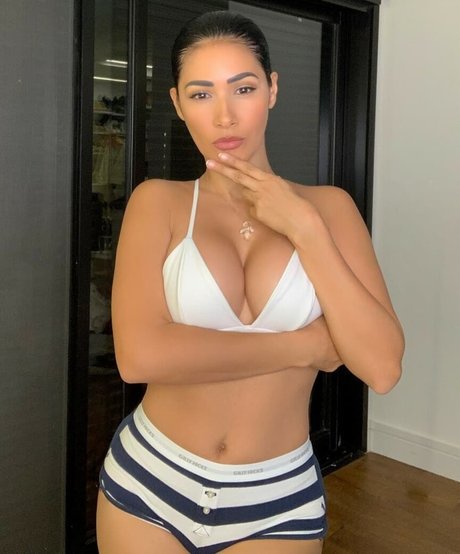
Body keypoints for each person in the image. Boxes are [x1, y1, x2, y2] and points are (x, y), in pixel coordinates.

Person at [96, 10, 404, 554]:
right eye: (201, 94)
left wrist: (305, 228)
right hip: (150, 479)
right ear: (177, 104)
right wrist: (305, 346)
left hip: (277, 495)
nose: (225, 116)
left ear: (272, 90)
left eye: (243, 88)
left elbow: (380, 367)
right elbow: (140, 358)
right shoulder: (158, 202)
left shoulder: (329, 209)